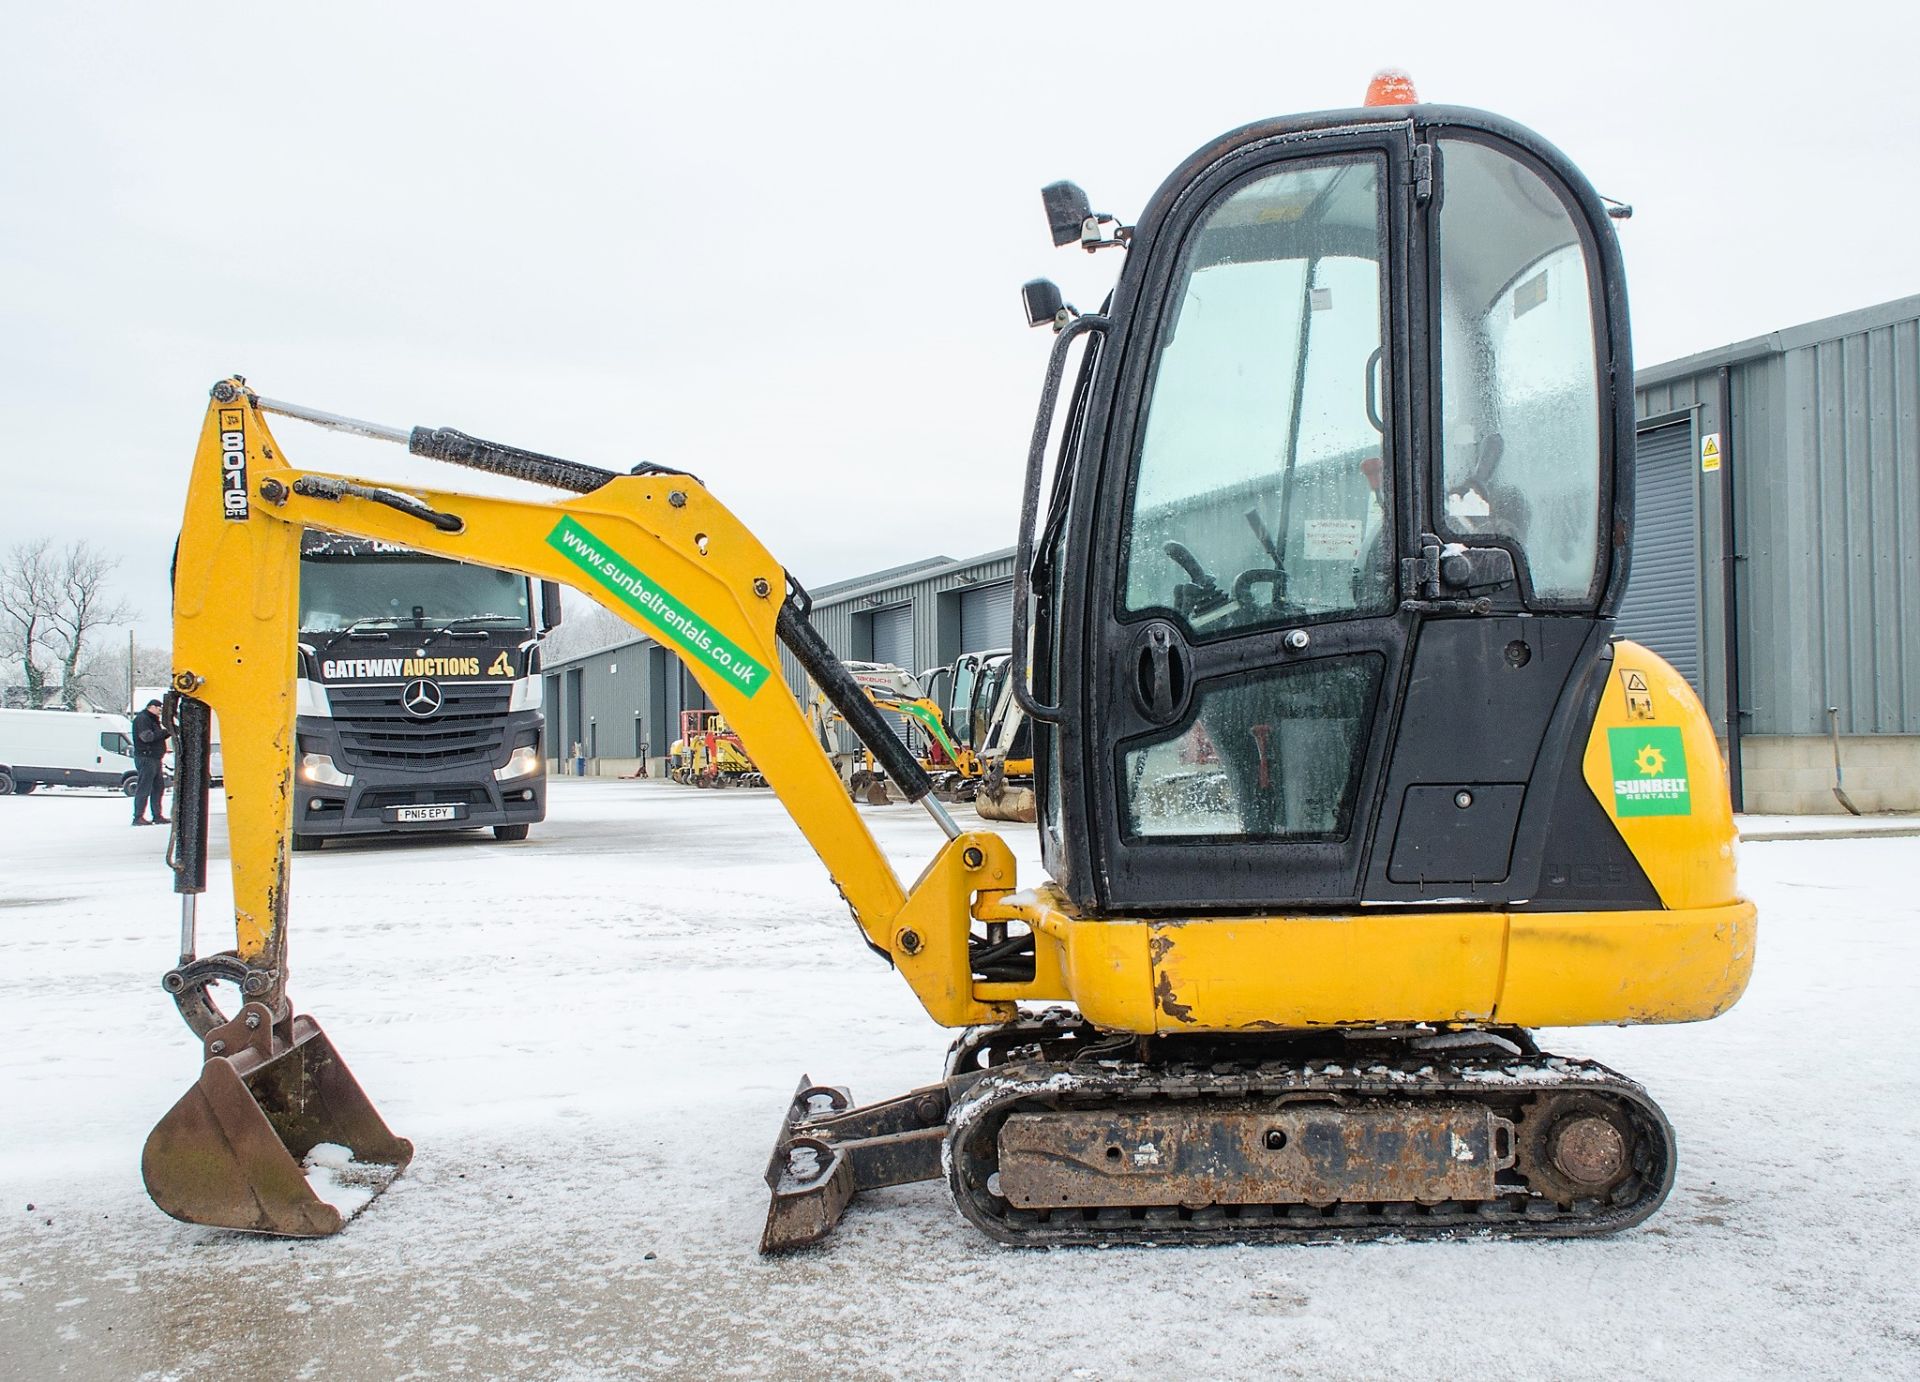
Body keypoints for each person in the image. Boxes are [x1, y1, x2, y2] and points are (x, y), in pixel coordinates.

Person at [131, 699, 170, 827]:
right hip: (146, 757)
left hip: (154, 758)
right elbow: (147, 737)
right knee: (144, 787)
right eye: (158, 708)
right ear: (151, 707)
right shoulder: (143, 719)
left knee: (158, 787)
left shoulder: (151, 719)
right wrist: (165, 732)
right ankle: (138, 817)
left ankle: (157, 815)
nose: (160, 711)